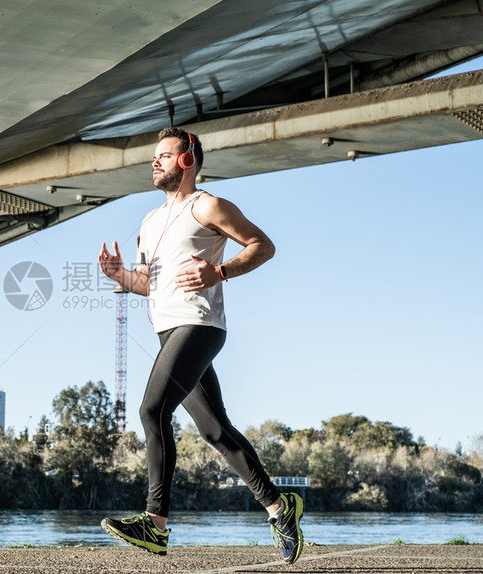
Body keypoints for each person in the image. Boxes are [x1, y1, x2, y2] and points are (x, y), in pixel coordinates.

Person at [97, 127, 303, 562]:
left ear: (187, 161)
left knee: (152, 410)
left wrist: (220, 272)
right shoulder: (149, 222)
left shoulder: (208, 205)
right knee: (214, 431)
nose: (155, 162)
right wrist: (119, 275)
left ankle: (155, 524)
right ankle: (280, 508)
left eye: (164, 156)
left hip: (200, 324)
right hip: (168, 330)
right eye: (154, 157)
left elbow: (262, 246)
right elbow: (147, 285)